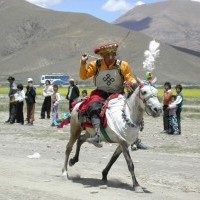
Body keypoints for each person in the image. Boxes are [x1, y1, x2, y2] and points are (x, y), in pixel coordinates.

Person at [79, 43, 138, 146]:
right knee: (93, 105)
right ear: (102, 55)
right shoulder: (95, 65)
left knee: (131, 108)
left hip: (117, 92)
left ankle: (135, 139)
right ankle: (97, 135)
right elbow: (84, 76)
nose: (111, 57)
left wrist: (133, 83)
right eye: (108, 55)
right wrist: (83, 63)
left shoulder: (123, 65)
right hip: (100, 92)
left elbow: (129, 77)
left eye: (113, 54)